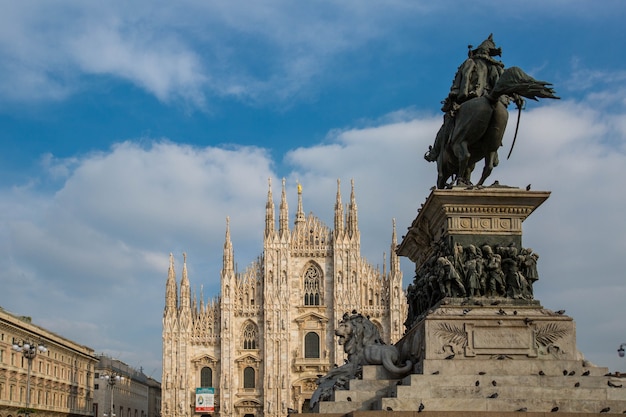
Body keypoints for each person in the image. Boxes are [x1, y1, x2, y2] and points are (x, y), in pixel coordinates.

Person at [424, 34, 505, 164]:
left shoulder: (470, 62)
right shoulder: (495, 67)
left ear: (477, 51)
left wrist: (457, 94)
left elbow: (465, 76)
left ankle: (434, 152)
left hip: (470, 97)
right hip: (490, 98)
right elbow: (500, 84)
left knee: (448, 122)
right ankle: (494, 149)